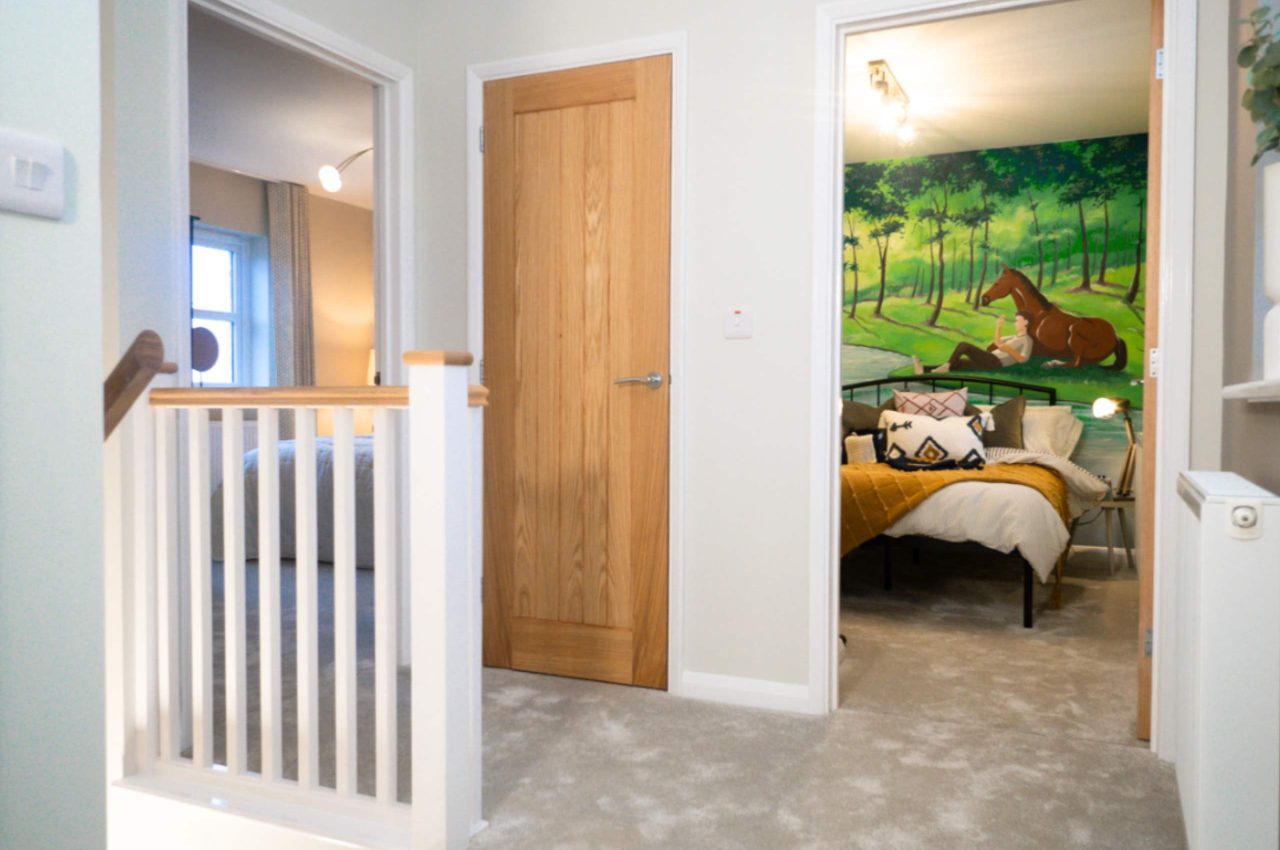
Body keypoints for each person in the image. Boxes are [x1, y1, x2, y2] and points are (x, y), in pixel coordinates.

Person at [913, 310, 1035, 374]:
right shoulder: (1013, 337)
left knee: (964, 346)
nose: (1014, 323)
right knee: (958, 363)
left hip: (996, 362)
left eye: (1017, 320)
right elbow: (998, 343)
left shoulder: (1027, 340)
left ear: (1026, 322)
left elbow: (1023, 359)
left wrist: (1010, 350)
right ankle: (923, 370)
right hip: (990, 360)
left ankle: (947, 366)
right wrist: (998, 326)